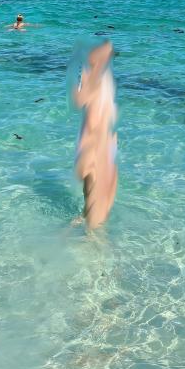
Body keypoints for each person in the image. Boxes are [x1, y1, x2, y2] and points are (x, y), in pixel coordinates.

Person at [73, 40, 118, 230]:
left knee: (93, 183)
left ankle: (93, 236)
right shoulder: (99, 78)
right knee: (92, 183)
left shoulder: (96, 79)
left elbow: (90, 110)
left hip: (96, 137)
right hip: (99, 136)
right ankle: (88, 218)